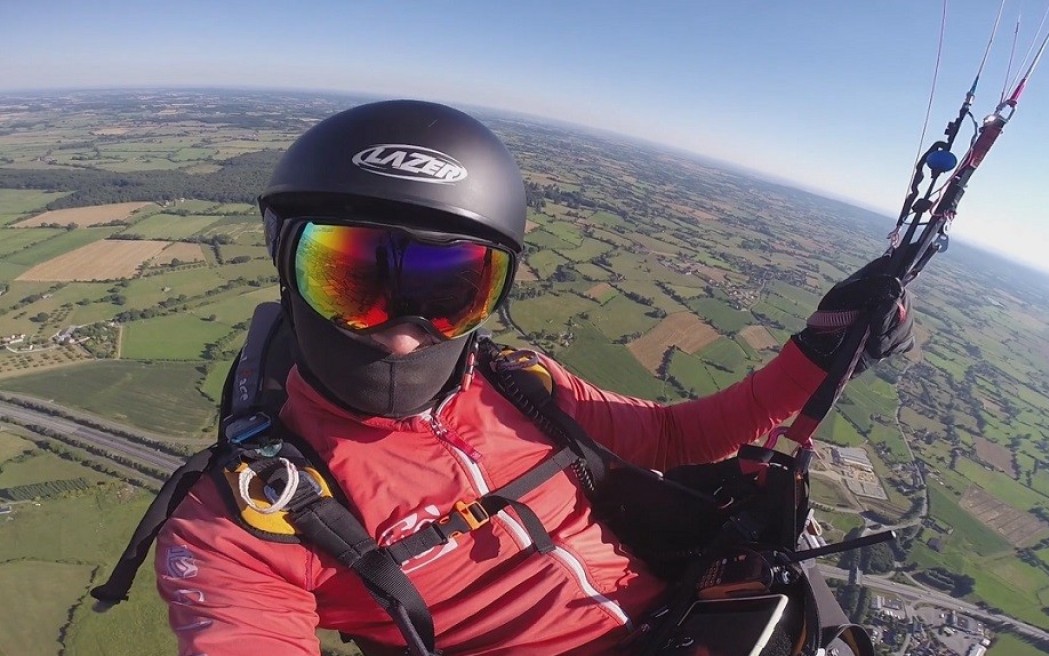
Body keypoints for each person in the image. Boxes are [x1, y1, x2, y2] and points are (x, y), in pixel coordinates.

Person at [154, 99, 913, 655]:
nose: (399, 333)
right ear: (285, 266)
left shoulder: (525, 387)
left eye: (448, 290)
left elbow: (681, 435)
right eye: (350, 280)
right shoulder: (242, 523)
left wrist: (819, 352)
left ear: (491, 299)